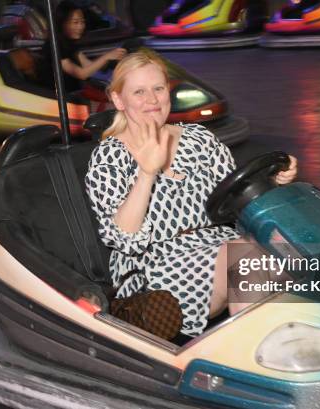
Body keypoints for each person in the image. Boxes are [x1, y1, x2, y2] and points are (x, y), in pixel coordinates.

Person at [85, 50, 298, 337]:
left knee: (289, 247)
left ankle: (302, 341)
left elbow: (236, 193)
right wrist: (147, 173)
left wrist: (273, 180)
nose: (152, 99)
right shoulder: (109, 158)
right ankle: (257, 355)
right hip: (152, 269)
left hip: (219, 245)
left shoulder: (199, 139)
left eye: (158, 88)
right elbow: (124, 237)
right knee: (246, 258)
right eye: (139, 92)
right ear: (118, 100)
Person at [38, 0, 126, 92]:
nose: (80, 27)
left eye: (82, 22)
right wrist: (106, 57)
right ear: (62, 23)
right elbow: (81, 74)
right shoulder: (55, 46)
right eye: (75, 22)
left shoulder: (68, 43)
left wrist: (113, 58)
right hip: (59, 99)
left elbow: (88, 65)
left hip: (74, 93)